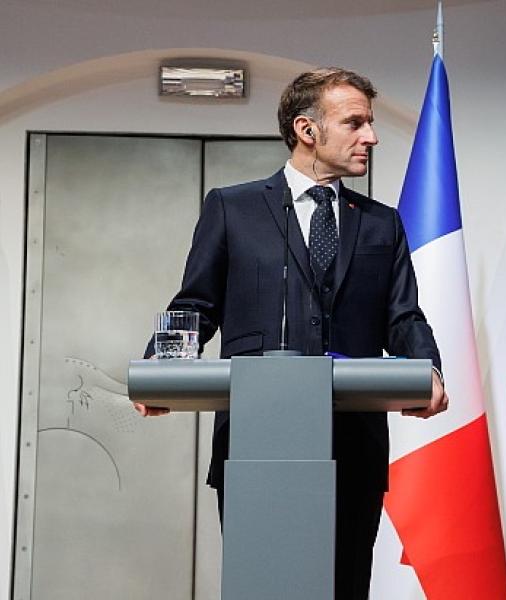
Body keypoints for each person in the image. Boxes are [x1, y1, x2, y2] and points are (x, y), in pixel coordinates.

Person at [135, 67, 448, 599]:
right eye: (355, 123)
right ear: (307, 130)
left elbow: (403, 317)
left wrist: (430, 370)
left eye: (370, 123)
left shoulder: (382, 224)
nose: (370, 136)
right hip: (256, 441)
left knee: (345, 588)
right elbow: (195, 303)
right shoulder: (233, 209)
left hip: (353, 447)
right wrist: (161, 373)